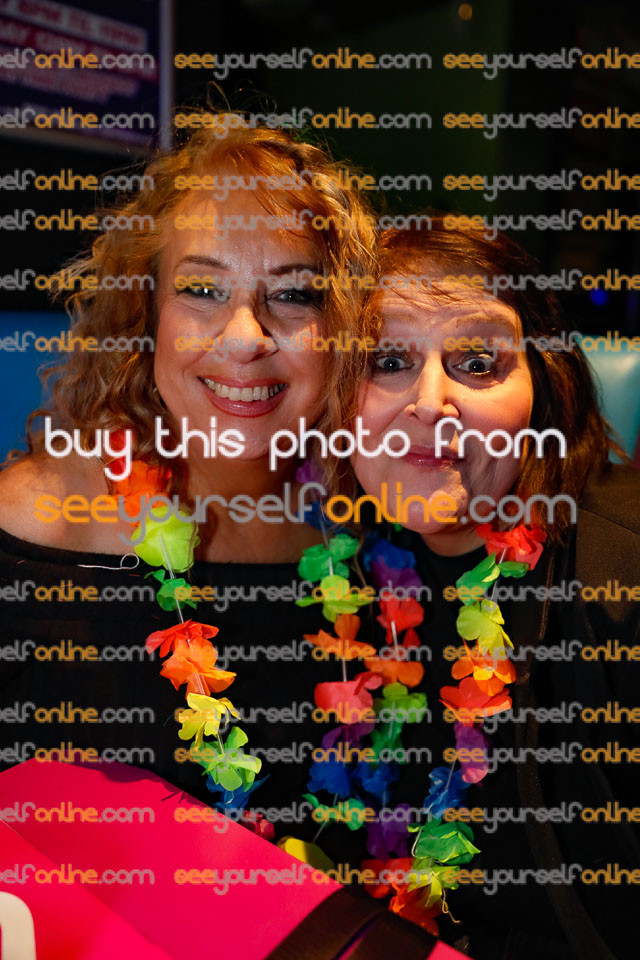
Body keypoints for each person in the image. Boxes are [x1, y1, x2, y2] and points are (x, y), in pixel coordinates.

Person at [0, 114, 377, 809]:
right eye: (202, 290)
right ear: (146, 316)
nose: (245, 337)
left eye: (294, 294)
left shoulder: (368, 530)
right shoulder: (28, 524)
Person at [345, 219, 640, 959]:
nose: (429, 402)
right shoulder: (343, 564)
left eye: (478, 362)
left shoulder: (622, 571)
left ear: (544, 389)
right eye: (386, 360)